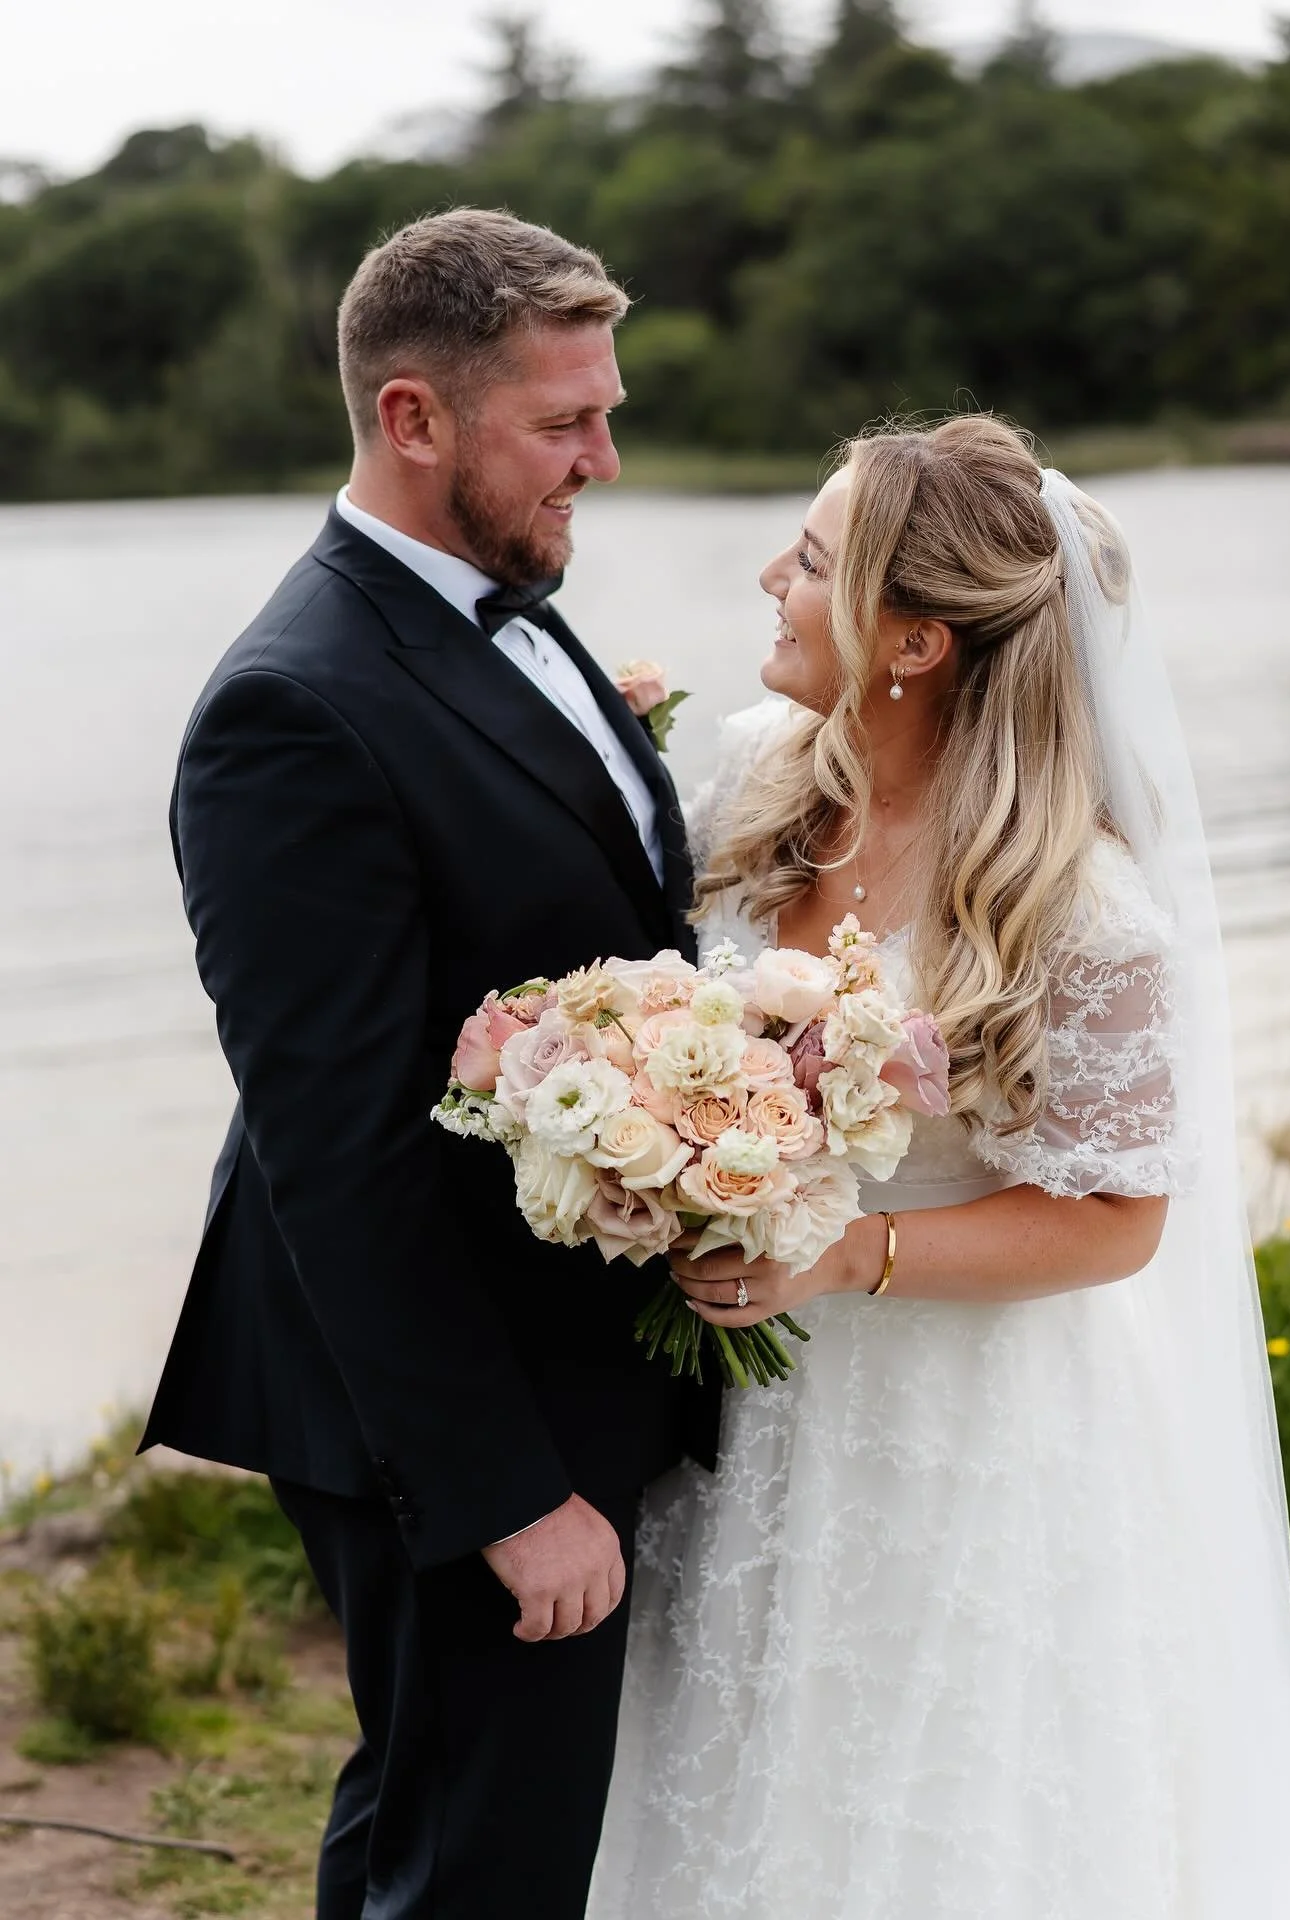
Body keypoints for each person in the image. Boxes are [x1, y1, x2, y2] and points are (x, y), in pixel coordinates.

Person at [589, 416, 1290, 1919]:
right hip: (757, 1401)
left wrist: (845, 1254)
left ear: (914, 641)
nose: (771, 577)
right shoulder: (764, 774)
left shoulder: (1077, 907)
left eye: (814, 559)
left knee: (945, 1787)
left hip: (971, 1416)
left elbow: (1113, 1225)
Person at [140, 208, 717, 1920]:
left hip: (555, 1360)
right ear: (412, 419)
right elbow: (342, 1151)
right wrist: (502, 1493)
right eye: (563, 423)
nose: (603, 460)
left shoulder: (510, 621)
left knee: (444, 1830)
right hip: (452, 1408)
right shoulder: (290, 710)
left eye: (605, 413)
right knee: (477, 1865)